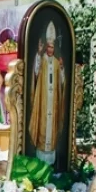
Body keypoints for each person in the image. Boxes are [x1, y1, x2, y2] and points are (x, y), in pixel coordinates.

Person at [29, 22, 66, 166]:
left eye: (52, 47)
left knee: (52, 128)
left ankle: (51, 164)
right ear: (46, 47)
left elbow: (62, 82)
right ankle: (40, 164)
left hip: (54, 101)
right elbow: (36, 72)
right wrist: (38, 53)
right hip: (43, 100)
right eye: (48, 47)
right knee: (42, 125)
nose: (50, 49)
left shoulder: (57, 62)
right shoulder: (42, 59)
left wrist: (62, 67)